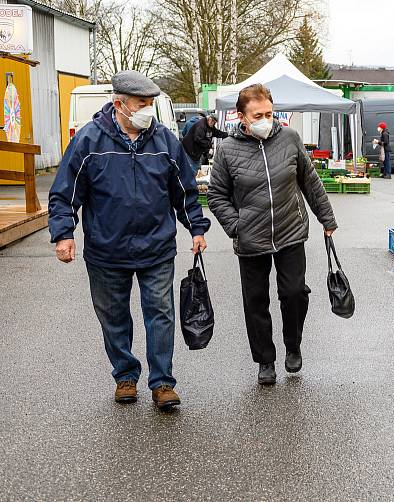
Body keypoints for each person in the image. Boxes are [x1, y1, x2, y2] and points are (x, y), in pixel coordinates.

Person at [48, 70, 210, 410]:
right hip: (107, 250)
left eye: (151, 103)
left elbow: (184, 191)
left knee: (160, 314)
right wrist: (63, 233)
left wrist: (196, 227)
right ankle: (125, 375)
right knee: (114, 317)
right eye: (141, 103)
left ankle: (162, 382)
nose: (147, 110)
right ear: (118, 104)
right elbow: (64, 192)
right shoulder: (89, 141)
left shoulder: (164, 141)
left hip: (157, 247)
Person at [207, 84, 338, 385]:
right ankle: (265, 360)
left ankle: (293, 344)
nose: (266, 119)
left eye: (269, 113)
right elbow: (216, 195)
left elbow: (310, 181)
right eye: (258, 115)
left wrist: (326, 218)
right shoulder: (227, 149)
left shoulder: (290, 138)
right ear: (241, 116)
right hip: (250, 238)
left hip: (290, 231)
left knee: (294, 293)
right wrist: (236, 225)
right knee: (255, 301)